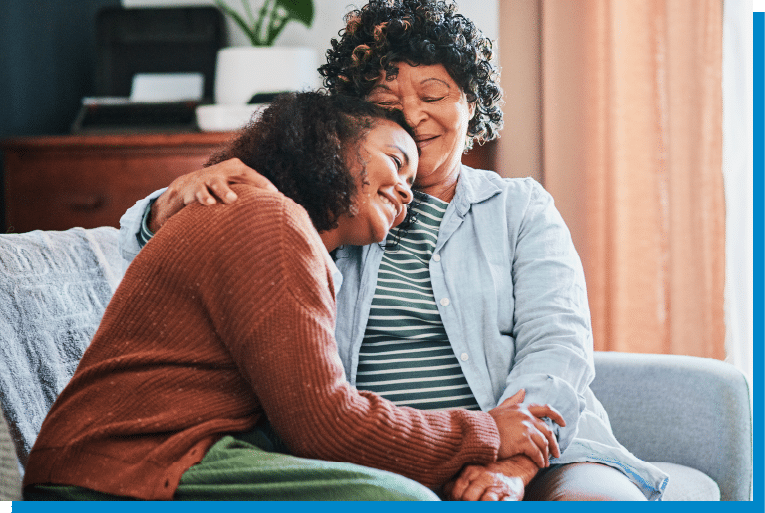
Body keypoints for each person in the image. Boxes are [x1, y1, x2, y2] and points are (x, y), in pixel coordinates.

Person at [119, 0, 669, 501]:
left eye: (433, 95)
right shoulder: (322, 200)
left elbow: (559, 350)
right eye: (387, 103)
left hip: (533, 455)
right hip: (375, 458)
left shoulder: (520, 209)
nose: (413, 115)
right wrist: (167, 204)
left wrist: (513, 465)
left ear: (472, 103)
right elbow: (183, 240)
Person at [22, 92, 566, 501]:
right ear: (331, 145)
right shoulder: (269, 220)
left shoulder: (286, 229)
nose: (406, 189)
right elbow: (325, 424)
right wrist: (486, 431)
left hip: (164, 455)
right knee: (400, 502)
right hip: (119, 467)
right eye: (394, 161)